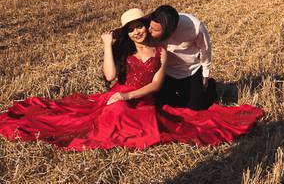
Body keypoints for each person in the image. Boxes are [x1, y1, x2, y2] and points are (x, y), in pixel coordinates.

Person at [0, 8, 263, 151]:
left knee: (177, 115)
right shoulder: (123, 50)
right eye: (131, 29)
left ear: (146, 26)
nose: (137, 32)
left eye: (140, 26)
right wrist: (107, 45)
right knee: (110, 113)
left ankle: (205, 91)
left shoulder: (161, 50)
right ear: (126, 33)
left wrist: (128, 95)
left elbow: (156, 85)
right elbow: (110, 76)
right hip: (119, 94)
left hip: (143, 98)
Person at [148, 5, 218, 110]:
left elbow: (205, 50)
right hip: (166, 72)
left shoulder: (195, 27)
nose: (149, 30)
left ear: (170, 32)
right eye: (150, 26)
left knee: (195, 109)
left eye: (155, 30)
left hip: (190, 70)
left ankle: (209, 87)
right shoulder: (152, 24)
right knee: (162, 106)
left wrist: (205, 74)